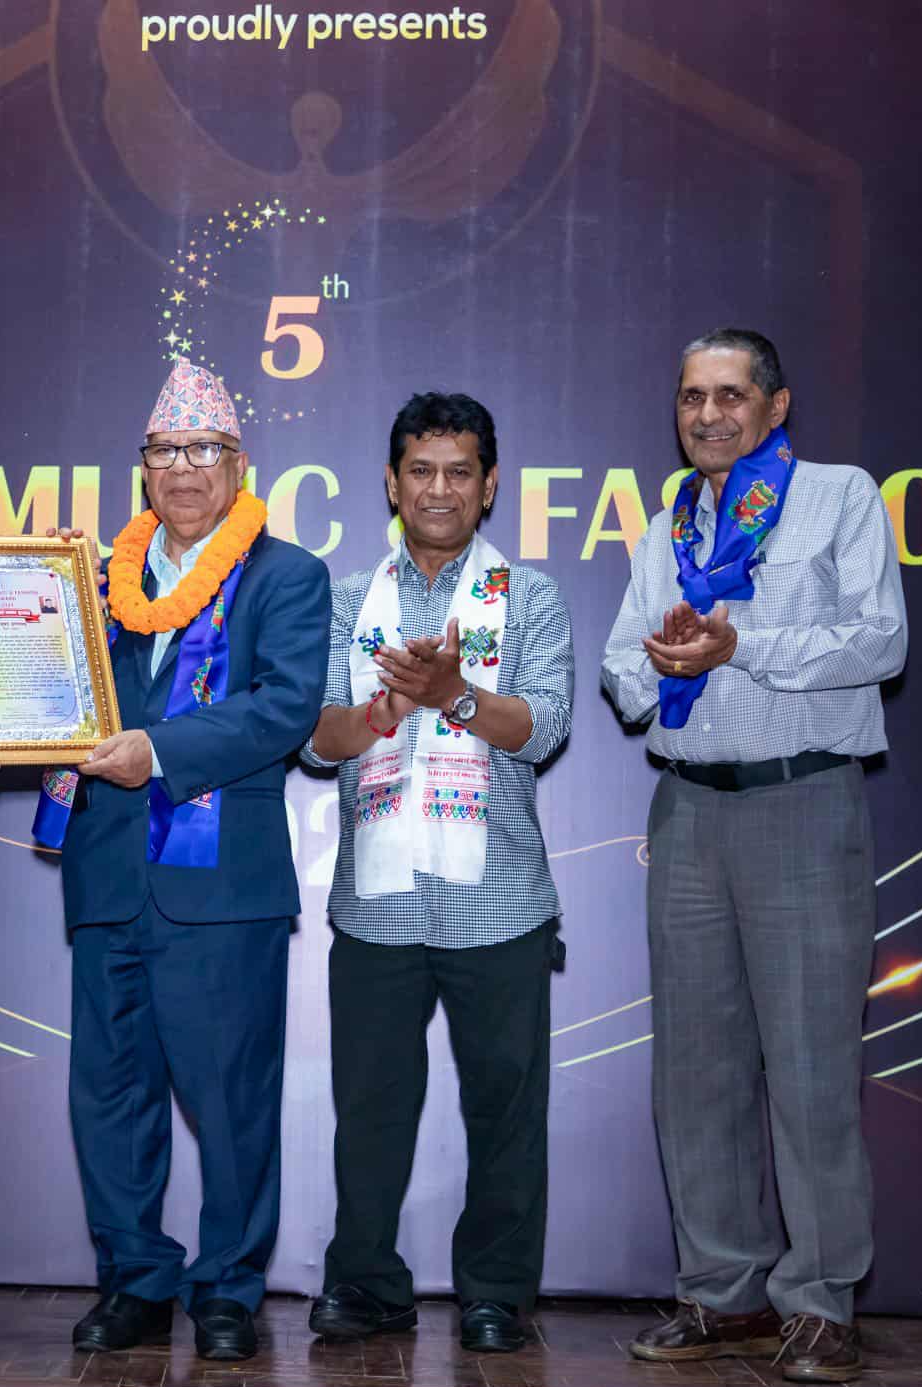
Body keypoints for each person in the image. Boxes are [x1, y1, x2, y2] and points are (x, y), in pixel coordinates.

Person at [601, 329, 907, 1384]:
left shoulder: (839, 497)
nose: (709, 414)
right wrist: (658, 666)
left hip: (801, 802)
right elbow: (620, 665)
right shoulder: (670, 522)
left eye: (731, 395)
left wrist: (740, 647)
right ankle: (720, 1289)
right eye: (693, 396)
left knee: (811, 1067)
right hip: (688, 809)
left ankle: (818, 1302)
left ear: (777, 407)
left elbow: (881, 639)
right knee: (695, 1071)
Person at [43, 357, 330, 1362]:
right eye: (165, 450)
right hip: (108, 874)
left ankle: (227, 1288)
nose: (183, 468)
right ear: (143, 467)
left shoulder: (286, 577)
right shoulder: (97, 582)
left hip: (222, 889)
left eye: (203, 449)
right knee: (111, 1095)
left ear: (238, 464)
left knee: (231, 1098)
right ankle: (134, 1279)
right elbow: (51, 690)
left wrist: (158, 752)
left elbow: (284, 707)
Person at [301, 392, 573, 1354]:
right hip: (376, 904)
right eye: (421, 470)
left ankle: (496, 1291)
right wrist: (381, 711)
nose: (440, 489)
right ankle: (365, 1281)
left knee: (506, 1112)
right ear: (391, 482)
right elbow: (316, 738)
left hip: (499, 901)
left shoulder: (529, 596)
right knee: (370, 1110)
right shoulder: (345, 601)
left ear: (489, 486)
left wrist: (455, 695)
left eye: (460, 471)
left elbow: (542, 729)